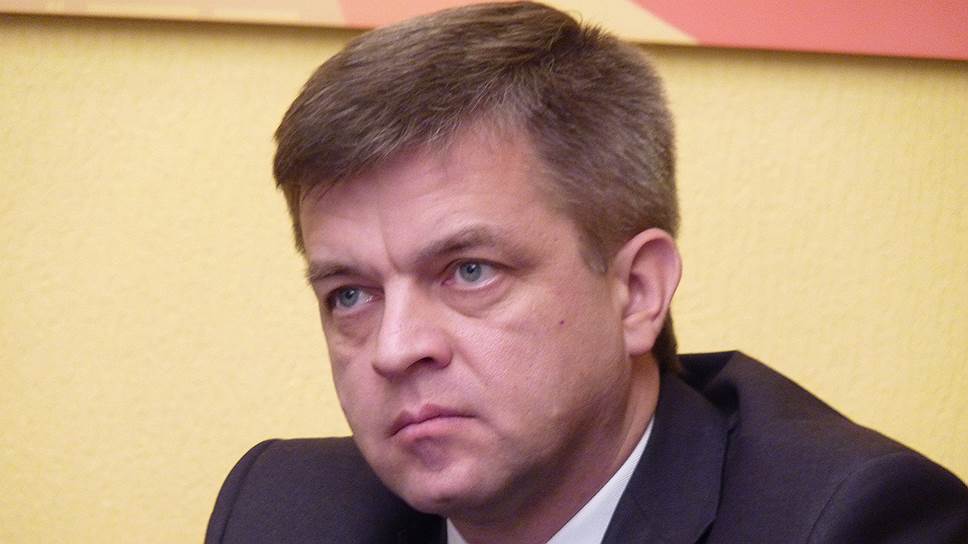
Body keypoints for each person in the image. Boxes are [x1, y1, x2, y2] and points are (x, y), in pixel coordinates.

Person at [205, 2, 968, 542]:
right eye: (349, 294)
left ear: (637, 291)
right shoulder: (283, 514)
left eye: (469, 271)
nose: (395, 348)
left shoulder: (850, 522)